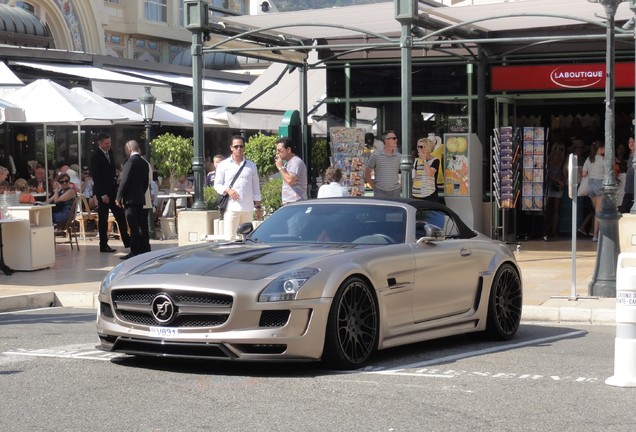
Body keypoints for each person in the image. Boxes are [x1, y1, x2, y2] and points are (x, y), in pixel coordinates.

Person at [214, 135, 262, 239]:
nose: (239, 149)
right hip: (231, 208)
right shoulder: (223, 165)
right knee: (230, 238)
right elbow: (217, 185)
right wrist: (228, 190)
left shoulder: (251, 166)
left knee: (247, 238)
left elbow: (256, 188)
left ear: (244, 147)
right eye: (236, 146)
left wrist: (258, 207)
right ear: (231, 147)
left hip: (247, 208)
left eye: (241, 146)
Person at [90, 132, 130, 253]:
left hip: (112, 190)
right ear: (100, 143)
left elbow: (111, 169)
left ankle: (127, 241)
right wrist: (102, 195)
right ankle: (103, 244)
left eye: (110, 143)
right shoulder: (95, 157)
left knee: (121, 216)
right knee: (103, 219)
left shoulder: (110, 152)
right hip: (103, 193)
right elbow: (96, 178)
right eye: (106, 143)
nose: (109, 145)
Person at [116, 140, 150, 260]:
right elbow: (146, 183)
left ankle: (135, 251)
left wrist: (118, 197)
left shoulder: (130, 162)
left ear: (130, 148)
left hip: (130, 199)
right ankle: (145, 249)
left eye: (125, 149)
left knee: (133, 226)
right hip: (140, 198)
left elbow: (124, 181)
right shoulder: (144, 163)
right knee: (141, 224)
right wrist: (140, 192)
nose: (125, 151)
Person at [580, 140, 605, 242]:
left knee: (597, 211)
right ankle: (596, 234)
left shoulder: (588, 159)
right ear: (599, 149)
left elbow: (584, 174)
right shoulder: (603, 159)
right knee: (599, 211)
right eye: (603, 147)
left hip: (590, 186)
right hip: (599, 184)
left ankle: (596, 233)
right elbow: (609, 171)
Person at [364, 130, 401, 198]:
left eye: (395, 138)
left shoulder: (399, 156)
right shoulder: (375, 155)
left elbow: (404, 173)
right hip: (380, 191)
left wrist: (400, 187)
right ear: (386, 141)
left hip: (396, 191)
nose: (396, 140)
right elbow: (367, 172)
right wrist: (374, 188)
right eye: (394, 138)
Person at [543, 142, 566, 241]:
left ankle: (554, 230)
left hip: (557, 186)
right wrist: (559, 181)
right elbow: (546, 173)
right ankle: (546, 229)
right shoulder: (548, 159)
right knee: (547, 208)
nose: (558, 151)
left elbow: (566, 173)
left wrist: (562, 183)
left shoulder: (563, 160)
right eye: (556, 148)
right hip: (549, 185)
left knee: (556, 209)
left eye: (560, 149)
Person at [275, 137, 308, 204]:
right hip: (289, 203)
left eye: (280, 150)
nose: (277, 153)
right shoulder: (287, 164)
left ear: (289, 150)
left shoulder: (296, 161)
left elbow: (290, 180)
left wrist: (280, 167)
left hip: (297, 202)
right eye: (277, 150)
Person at [412, 137, 443, 203]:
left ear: (428, 148)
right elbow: (416, 176)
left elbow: (430, 173)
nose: (419, 149)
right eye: (418, 147)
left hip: (429, 193)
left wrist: (424, 160)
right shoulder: (417, 161)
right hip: (417, 193)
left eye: (421, 147)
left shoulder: (435, 160)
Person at [619, 135, 635, 213]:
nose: (631, 144)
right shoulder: (630, 154)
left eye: (633, 142)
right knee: (624, 211)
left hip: (634, 188)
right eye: (629, 142)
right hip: (629, 188)